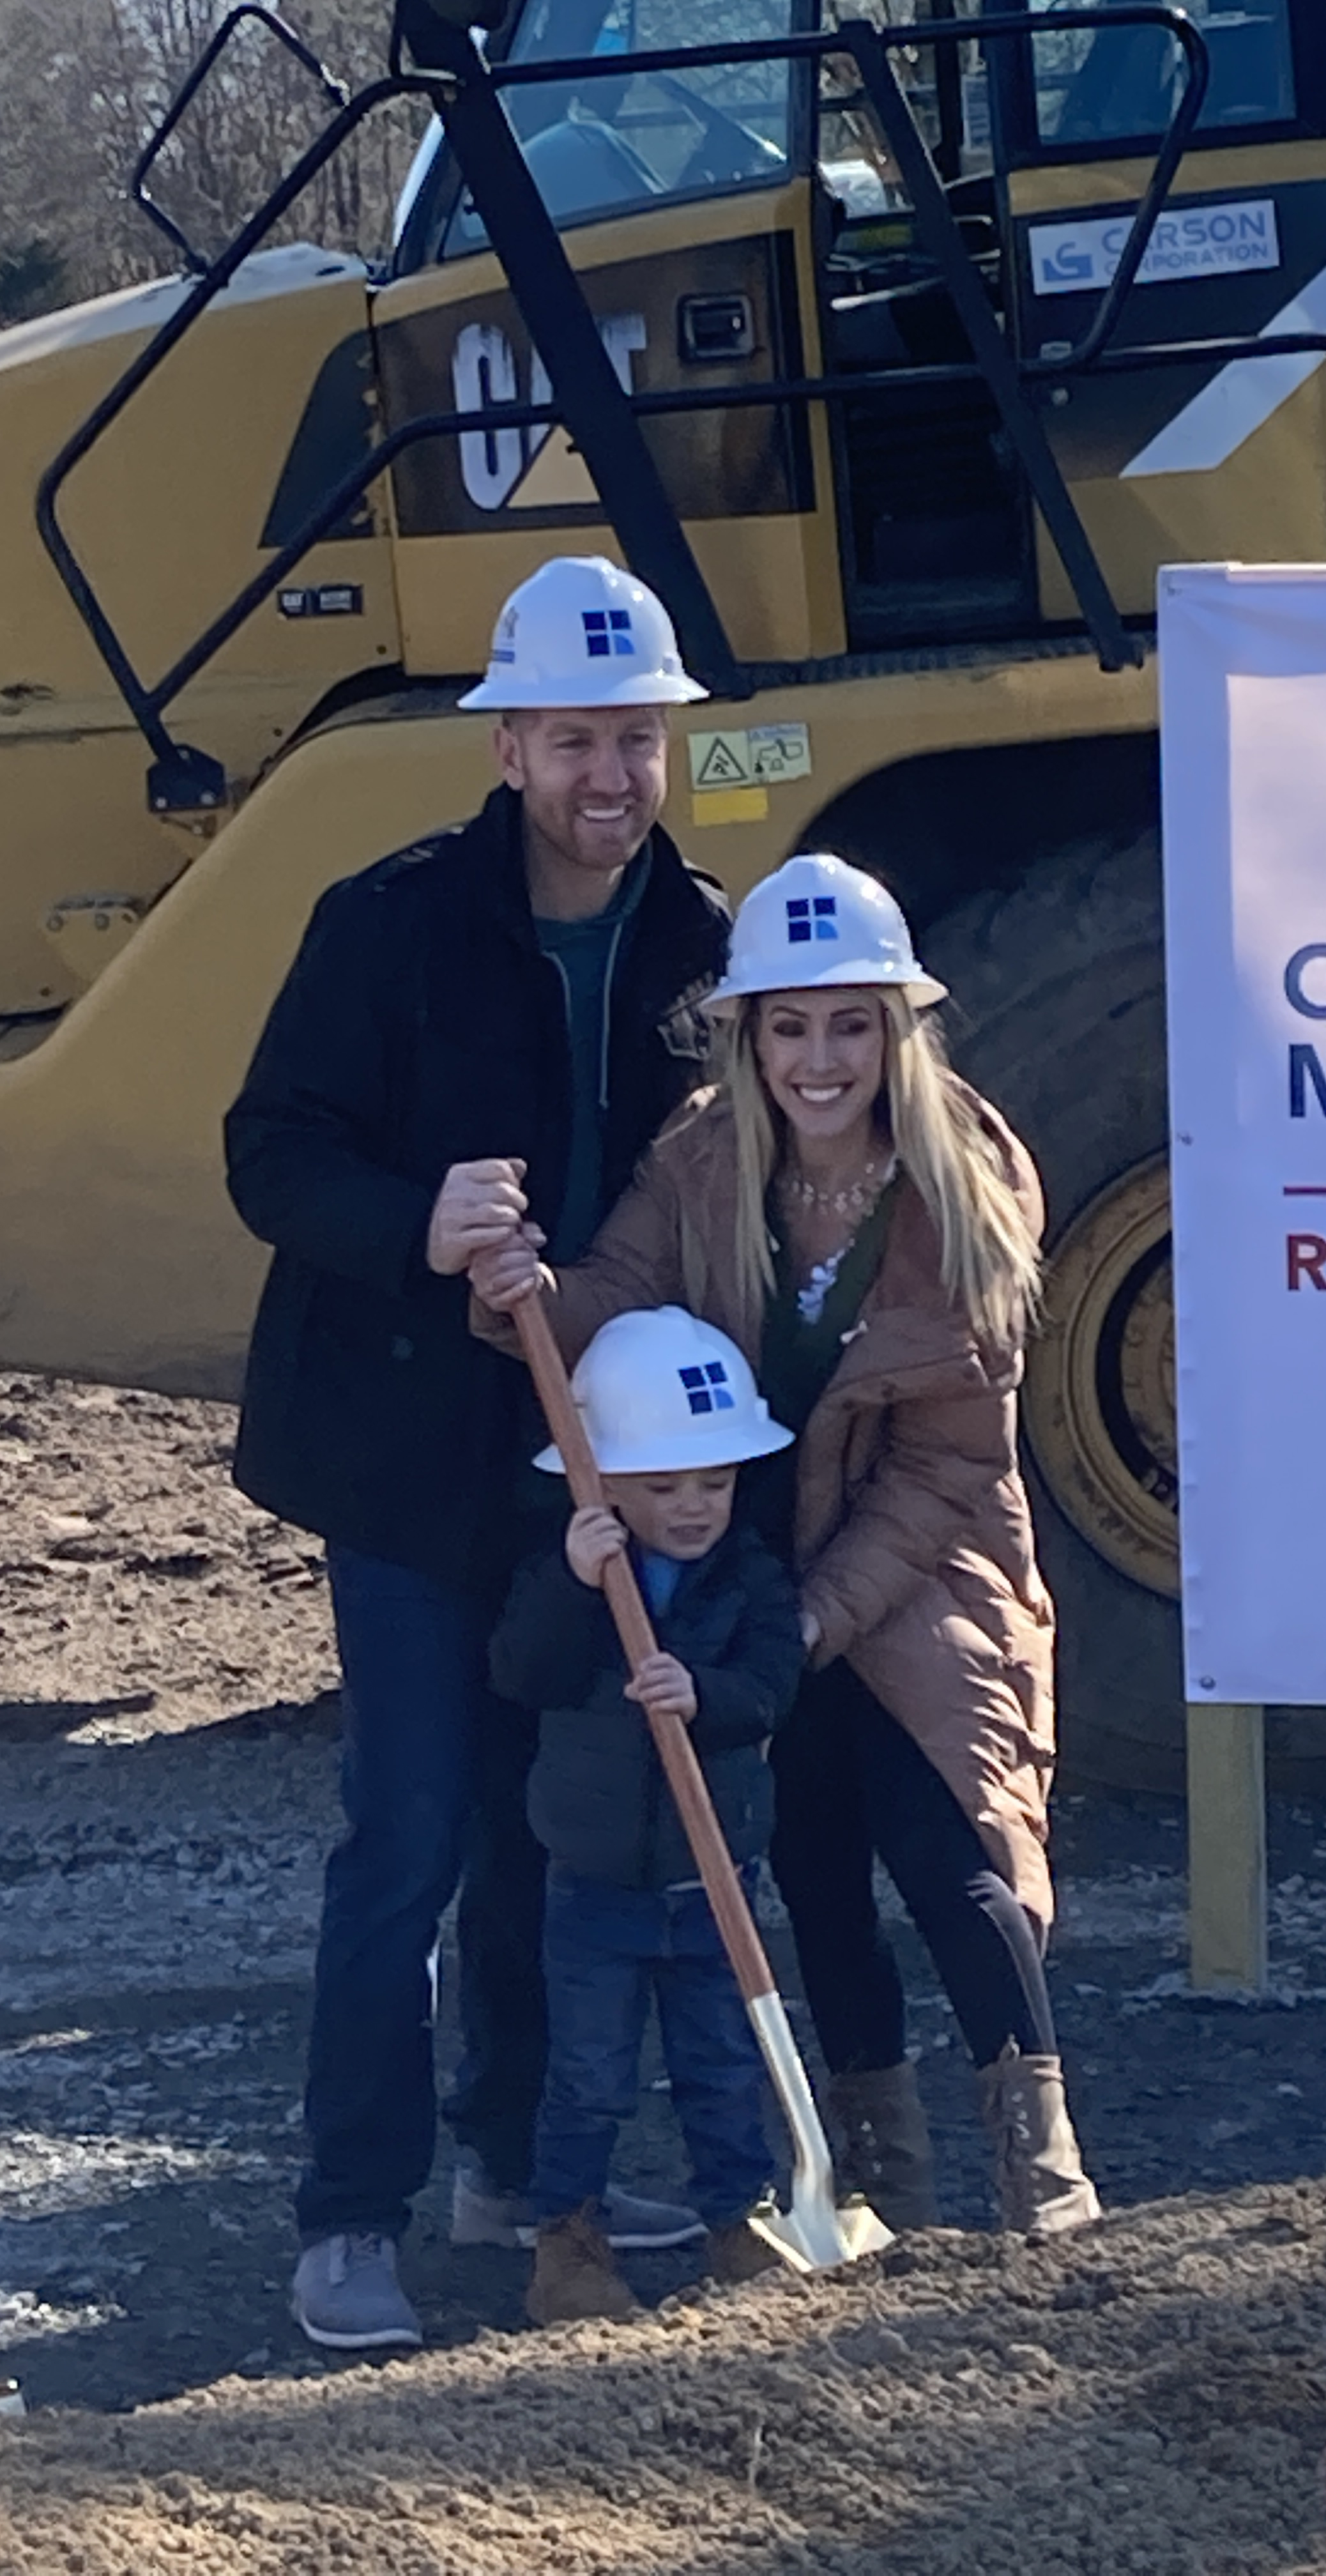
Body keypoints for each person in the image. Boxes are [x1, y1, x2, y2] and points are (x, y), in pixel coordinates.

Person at [224, 555, 732, 2354]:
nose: (610, 776)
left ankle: (508, 2168)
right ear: (508, 745)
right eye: (575, 739)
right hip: (402, 1459)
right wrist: (415, 1224)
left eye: (637, 740)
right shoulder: (388, 924)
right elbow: (271, 1152)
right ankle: (348, 2213)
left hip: (584, 1469)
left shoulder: (702, 943)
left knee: (546, 1826)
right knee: (415, 1831)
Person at [471, 850, 1102, 2242]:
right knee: (809, 1860)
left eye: (851, 1026)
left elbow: (951, 1463)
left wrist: (819, 1617)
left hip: (918, 1563)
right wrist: (524, 1295)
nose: (821, 1061)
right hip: (747, 1561)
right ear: (748, 1038)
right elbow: (620, 1292)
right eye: (791, 1027)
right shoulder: (704, 1159)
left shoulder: (966, 1189)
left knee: (951, 1847)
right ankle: (883, 2179)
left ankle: (1041, 2166)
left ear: (897, 1032)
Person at [487, 1307, 805, 2324]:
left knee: (723, 2063)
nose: (694, 1506)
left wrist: (704, 1696)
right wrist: (575, 1586)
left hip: (714, 1879)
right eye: (665, 1487)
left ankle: (741, 2219)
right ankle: (569, 2240)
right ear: (604, 1481)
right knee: (588, 2073)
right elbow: (521, 1674)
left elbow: (774, 1683)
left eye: (714, 1482)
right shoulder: (570, 1577)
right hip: (594, 1884)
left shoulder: (749, 1575)